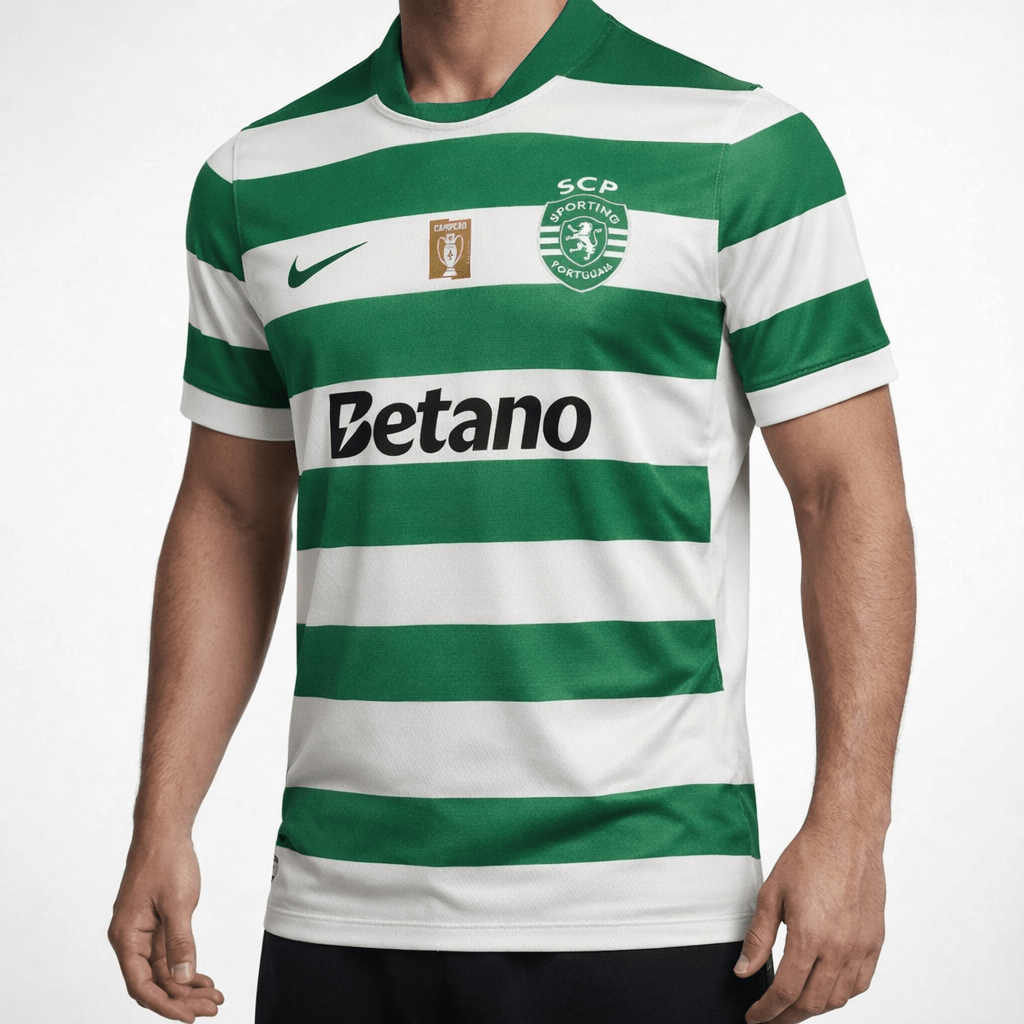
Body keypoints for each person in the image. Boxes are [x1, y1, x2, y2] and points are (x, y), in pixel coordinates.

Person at [108, 0, 916, 1021]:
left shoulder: (736, 145)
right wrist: (162, 818)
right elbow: (229, 510)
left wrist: (852, 824)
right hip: (341, 905)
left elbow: (846, 493)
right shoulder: (254, 180)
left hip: (644, 901)